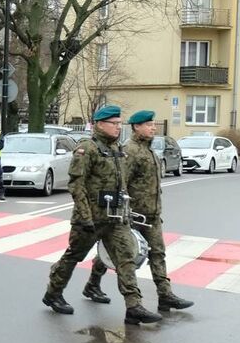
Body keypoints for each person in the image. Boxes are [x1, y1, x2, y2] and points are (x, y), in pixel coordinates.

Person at [43, 106, 162, 324]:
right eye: (114, 123)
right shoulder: (87, 149)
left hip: (114, 218)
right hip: (90, 218)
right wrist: (85, 217)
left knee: (126, 257)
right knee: (73, 256)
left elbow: (122, 183)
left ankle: (133, 306)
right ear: (99, 124)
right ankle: (53, 293)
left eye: (119, 124)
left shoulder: (117, 148)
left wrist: (125, 212)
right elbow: (76, 185)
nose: (118, 127)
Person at [82, 110, 194, 313]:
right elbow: (121, 182)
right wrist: (124, 211)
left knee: (157, 253)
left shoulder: (149, 150)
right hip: (133, 214)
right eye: (149, 124)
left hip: (151, 213)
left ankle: (165, 295)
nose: (153, 128)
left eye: (153, 124)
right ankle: (93, 284)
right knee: (118, 253)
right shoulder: (130, 151)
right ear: (136, 127)